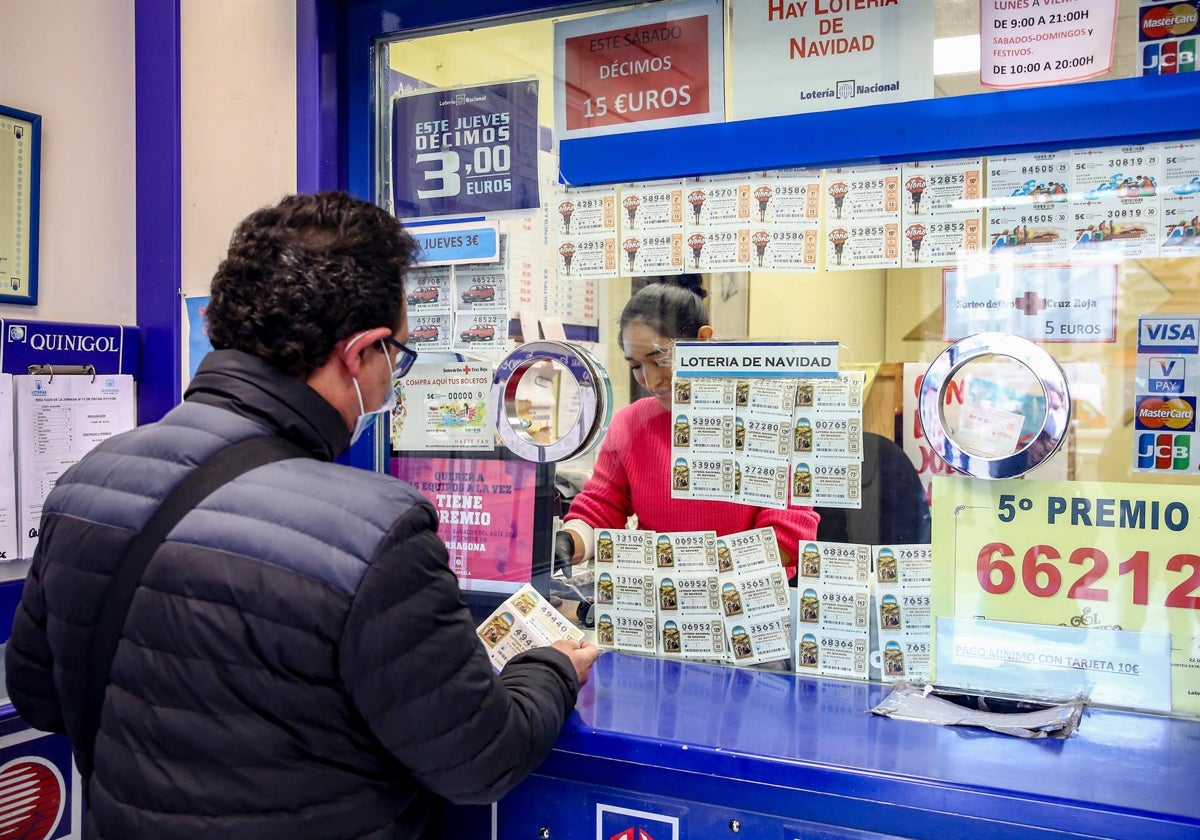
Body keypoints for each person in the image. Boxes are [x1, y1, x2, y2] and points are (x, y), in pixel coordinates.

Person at [5, 191, 599, 839]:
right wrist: (547, 668)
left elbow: (39, 695)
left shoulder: (87, 484)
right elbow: (479, 762)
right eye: (395, 358)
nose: (388, 381)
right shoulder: (374, 530)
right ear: (360, 353)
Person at [557, 279, 819, 576]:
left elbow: (787, 536)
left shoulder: (763, 419)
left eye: (661, 359)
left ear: (703, 341)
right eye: (636, 366)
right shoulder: (631, 423)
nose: (651, 380)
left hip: (747, 604)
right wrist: (570, 539)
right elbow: (601, 510)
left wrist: (691, 573)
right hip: (658, 603)